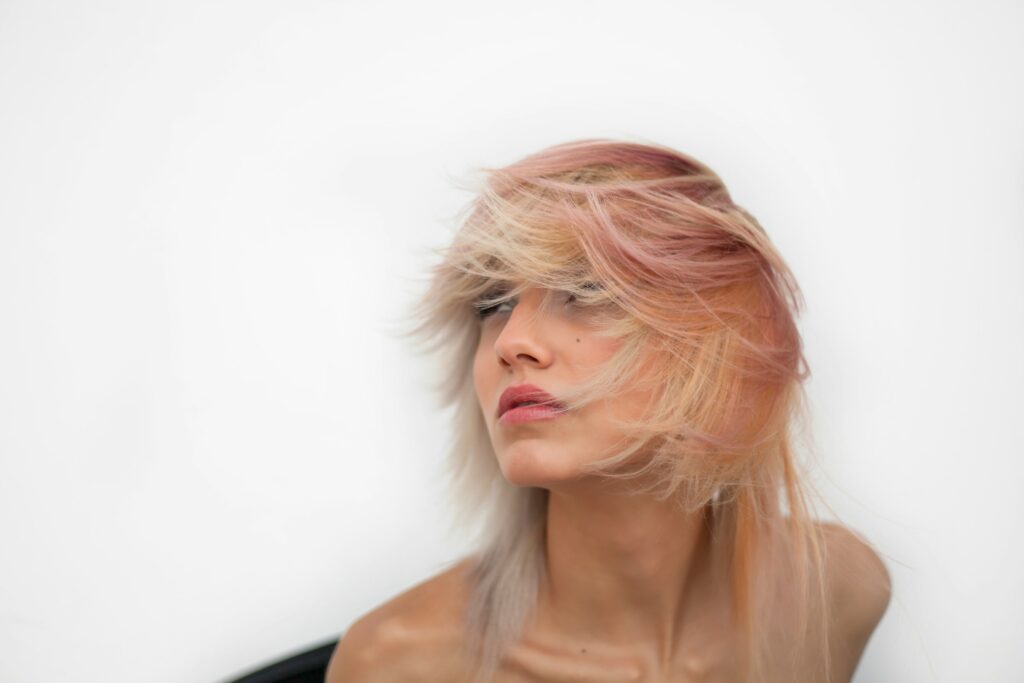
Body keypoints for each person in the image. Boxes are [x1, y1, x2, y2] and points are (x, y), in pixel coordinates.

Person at [325, 138, 892, 682]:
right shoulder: (395, 663)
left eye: (585, 290)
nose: (511, 341)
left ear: (714, 343)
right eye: (491, 304)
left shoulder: (838, 593)